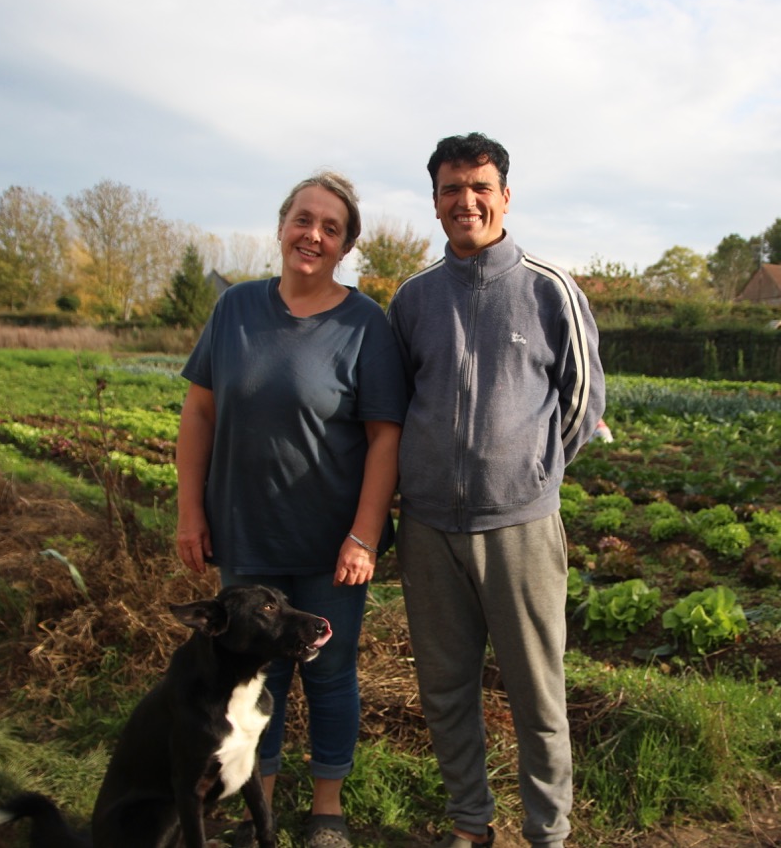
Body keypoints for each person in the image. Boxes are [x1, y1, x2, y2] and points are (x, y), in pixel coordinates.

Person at [175, 170, 406, 848]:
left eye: (331, 228)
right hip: (246, 537)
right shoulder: (236, 311)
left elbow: (384, 435)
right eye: (304, 219)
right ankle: (260, 807)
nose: (314, 234)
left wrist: (364, 534)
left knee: (329, 671)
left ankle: (327, 810)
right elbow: (199, 411)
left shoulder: (363, 323)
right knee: (254, 675)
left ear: (344, 247)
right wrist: (191, 509)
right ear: (282, 227)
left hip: (331, 545)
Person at [387, 133, 606, 848]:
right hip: (427, 530)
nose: (466, 200)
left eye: (480, 186)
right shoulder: (413, 300)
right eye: (452, 188)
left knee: (538, 694)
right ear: (435, 202)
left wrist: (532, 475)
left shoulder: (550, 290)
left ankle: (548, 832)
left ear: (505, 196)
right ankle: (470, 824)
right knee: (447, 692)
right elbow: (396, 405)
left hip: (521, 528)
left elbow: (581, 405)